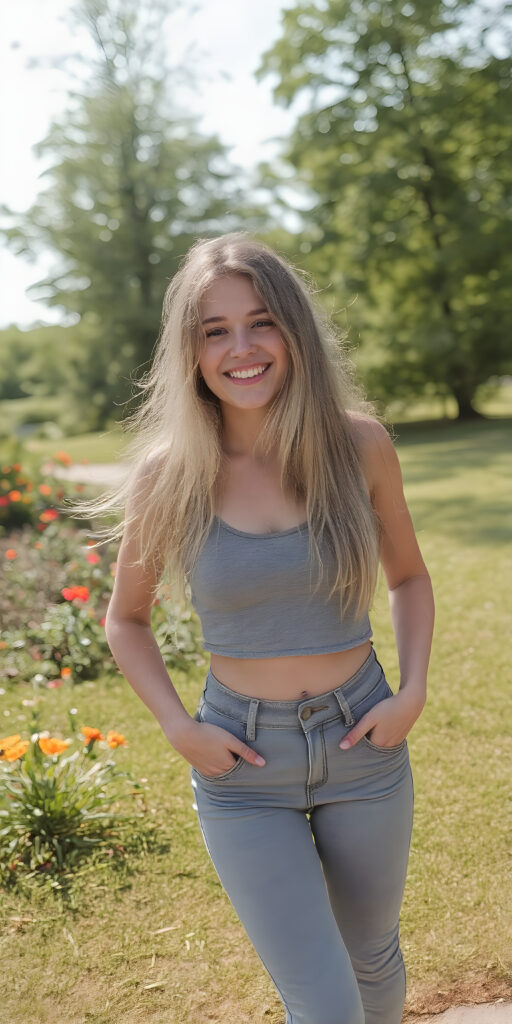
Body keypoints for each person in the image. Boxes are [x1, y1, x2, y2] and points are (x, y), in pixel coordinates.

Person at [100, 233, 434, 1024]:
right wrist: (179, 727)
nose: (241, 348)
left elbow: (410, 577)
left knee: (376, 971)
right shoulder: (169, 474)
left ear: (294, 333)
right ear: (191, 349)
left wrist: (413, 691)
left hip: (364, 742)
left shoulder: (359, 446)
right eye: (215, 329)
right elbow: (126, 619)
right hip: (242, 765)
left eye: (261, 322)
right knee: (324, 1005)